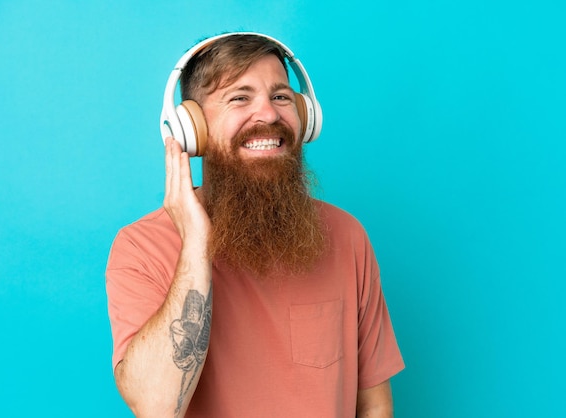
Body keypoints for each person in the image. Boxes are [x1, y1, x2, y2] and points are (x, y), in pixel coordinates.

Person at [106, 32, 404, 418]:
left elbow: (375, 405)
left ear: (305, 116)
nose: (268, 114)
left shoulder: (346, 236)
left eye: (281, 97)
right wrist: (196, 243)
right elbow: (156, 407)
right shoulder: (141, 248)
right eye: (240, 98)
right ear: (191, 129)